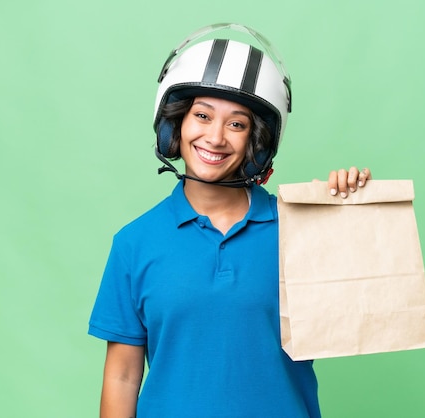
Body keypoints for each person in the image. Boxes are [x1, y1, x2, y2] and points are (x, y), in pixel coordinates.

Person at [88, 23, 371, 418]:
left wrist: (353, 211)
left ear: (257, 143)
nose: (216, 137)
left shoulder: (301, 229)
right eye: (202, 116)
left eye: (236, 124)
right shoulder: (134, 243)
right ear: (175, 126)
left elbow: (364, 305)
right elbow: (121, 378)